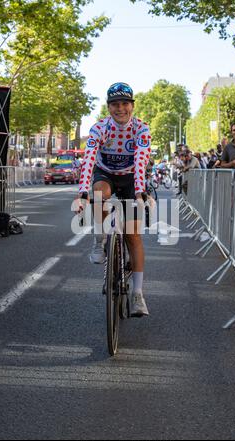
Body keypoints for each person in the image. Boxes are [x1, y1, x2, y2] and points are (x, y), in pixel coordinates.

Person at [74, 82, 151, 317]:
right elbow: (88, 159)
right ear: (108, 107)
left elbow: (140, 162)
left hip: (130, 178)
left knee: (132, 235)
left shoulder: (141, 129)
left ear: (132, 106)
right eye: (115, 104)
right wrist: (82, 194)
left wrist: (139, 193)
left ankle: (138, 295)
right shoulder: (99, 128)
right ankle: (100, 240)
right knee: (100, 192)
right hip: (105, 173)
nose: (120, 109)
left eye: (125, 103)